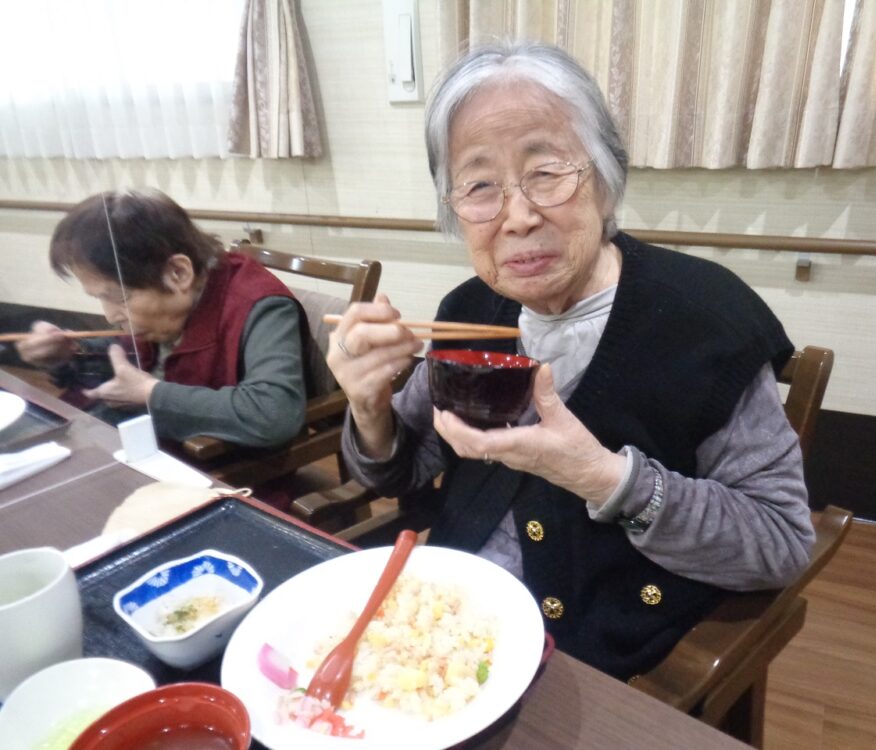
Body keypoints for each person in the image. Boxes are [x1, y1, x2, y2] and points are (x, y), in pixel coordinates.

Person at [328, 41, 815, 680]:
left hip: (599, 655)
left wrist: (604, 478)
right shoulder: (469, 308)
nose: (519, 216)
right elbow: (404, 471)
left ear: (606, 180)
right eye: (480, 186)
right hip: (446, 624)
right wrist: (368, 410)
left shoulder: (705, 320)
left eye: (547, 171)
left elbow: (780, 543)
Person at [16, 189, 313, 449]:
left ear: (178, 273)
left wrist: (149, 393)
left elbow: (274, 414)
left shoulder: (258, 304)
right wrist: (68, 352)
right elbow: (129, 357)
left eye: (120, 297)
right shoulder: (166, 309)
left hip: (223, 474)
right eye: (99, 298)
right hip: (147, 445)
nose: (109, 315)